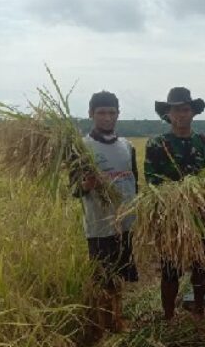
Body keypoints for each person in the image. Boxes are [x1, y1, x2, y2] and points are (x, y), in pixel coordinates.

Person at [145, 87, 205, 321]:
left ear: (192, 113)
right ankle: (168, 316)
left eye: (185, 109)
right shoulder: (157, 145)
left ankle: (198, 309)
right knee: (170, 269)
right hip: (171, 218)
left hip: (201, 218)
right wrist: (177, 196)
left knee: (201, 266)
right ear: (168, 114)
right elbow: (152, 180)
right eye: (175, 110)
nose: (181, 115)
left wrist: (201, 196)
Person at [74, 91, 139, 335]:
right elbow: (74, 189)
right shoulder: (81, 147)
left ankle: (118, 320)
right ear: (91, 114)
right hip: (99, 224)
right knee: (102, 277)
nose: (107, 118)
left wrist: (135, 211)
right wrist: (86, 185)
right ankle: (102, 326)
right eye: (101, 113)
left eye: (112, 112)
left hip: (124, 222)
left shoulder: (127, 146)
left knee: (119, 275)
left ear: (118, 114)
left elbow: (135, 182)